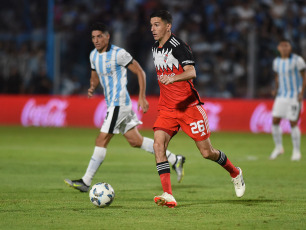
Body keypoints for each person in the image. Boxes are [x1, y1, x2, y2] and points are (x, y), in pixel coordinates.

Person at [64, 22, 185, 192]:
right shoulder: (93, 55)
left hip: (119, 103)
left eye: (100, 36)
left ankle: (86, 181)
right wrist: (92, 86)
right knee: (136, 141)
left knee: (101, 139)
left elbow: (140, 72)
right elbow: (95, 75)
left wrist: (142, 97)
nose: (96, 40)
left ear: (107, 37)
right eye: (93, 37)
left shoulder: (119, 54)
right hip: (113, 104)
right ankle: (175, 159)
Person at [149, 10, 245, 208]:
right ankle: (168, 194)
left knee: (207, 152)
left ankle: (235, 172)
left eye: (157, 24)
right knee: (158, 145)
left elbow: (191, 72)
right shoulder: (154, 48)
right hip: (167, 108)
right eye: (151, 25)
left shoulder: (179, 46)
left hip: (189, 107)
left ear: (168, 26)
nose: (152, 29)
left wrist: (173, 78)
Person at [269, 39, 306, 161]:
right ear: (278, 48)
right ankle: (278, 147)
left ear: (290, 47)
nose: (284, 48)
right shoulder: (277, 62)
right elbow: (277, 77)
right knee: (275, 121)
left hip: (294, 96)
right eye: (282, 45)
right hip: (281, 96)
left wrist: (301, 93)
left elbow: (304, 76)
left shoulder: (297, 60)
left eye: (286, 45)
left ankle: (296, 151)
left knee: (293, 122)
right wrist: (275, 90)